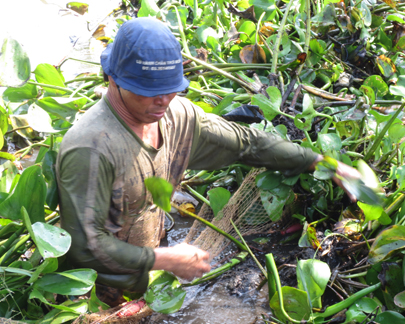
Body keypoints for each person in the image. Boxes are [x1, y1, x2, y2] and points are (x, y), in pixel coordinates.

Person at [56, 17, 360, 302]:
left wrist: (317, 162)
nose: (163, 101)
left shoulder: (177, 116)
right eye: (148, 92)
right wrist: (165, 259)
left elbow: (246, 144)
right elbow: (85, 246)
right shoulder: (91, 148)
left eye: (170, 90)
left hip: (149, 276)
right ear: (113, 79)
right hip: (98, 291)